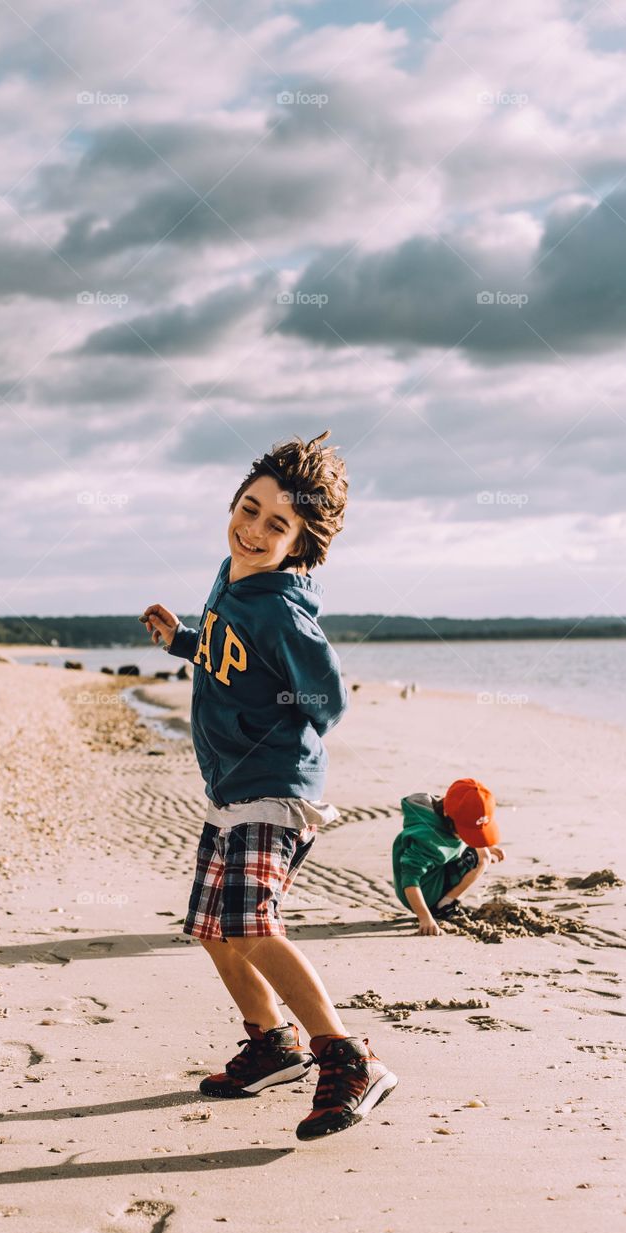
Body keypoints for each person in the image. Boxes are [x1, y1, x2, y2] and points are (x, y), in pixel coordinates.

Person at [139, 431, 397, 1141]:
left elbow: (328, 700)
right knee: (214, 932)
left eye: (275, 524)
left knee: (251, 925)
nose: (252, 530)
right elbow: (232, 654)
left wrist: (286, 726)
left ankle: (346, 1058)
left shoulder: (283, 611)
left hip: (275, 790)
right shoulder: (234, 574)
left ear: (301, 542)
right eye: (247, 509)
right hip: (230, 788)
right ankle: (270, 1045)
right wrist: (185, 643)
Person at [391, 778, 506, 937]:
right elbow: (410, 879)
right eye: (467, 832)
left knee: (482, 851)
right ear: (447, 814)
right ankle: (442, 906)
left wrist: (481, 842)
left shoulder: (447, 815)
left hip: (436, 871)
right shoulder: (428, 839)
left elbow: (457, 839)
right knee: (482, 857)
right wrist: (424, 917)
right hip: (422, 892)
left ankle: (443, 902)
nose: (469, 837)